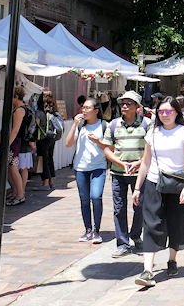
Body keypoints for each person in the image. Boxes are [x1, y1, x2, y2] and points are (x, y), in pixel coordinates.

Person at [132, 97, 184, 287]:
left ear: (177, 112)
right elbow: (146, 161)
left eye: (169, 111)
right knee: (150, 223)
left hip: (177, 184)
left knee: (175, 222)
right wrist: (137, 187)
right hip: (154, 182)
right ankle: (148, 270)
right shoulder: (152, 133)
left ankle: (172, 259)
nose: (165, 115)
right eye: (161, 111)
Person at [100, 91, 149, 258]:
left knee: (140, 206)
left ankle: (135, 234)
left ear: (137, 106)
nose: (124, 106)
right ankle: (122, 243)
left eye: (129, 103)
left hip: (140, 173)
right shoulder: (113, 125)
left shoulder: (147, 124)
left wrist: (139, 163)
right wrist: (121, 163)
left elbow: (151, 149)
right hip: (118, 172)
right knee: (119, 208)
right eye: (122, 103)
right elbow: (107, 149)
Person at [65, 97, 107, 244]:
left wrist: (98, 141)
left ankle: (97, 230)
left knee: (96, 197)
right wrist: (74, 124)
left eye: (87, 108)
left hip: (98, 166)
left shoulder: (104, 125)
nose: (84, 110)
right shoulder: (80, 125)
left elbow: (110, 147)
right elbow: (68, 144)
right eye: (83, 107)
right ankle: (88, 229)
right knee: (84, 200)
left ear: (96, 111)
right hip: (80, 167)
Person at [5, 86, 31, 206]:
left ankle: (20, 194)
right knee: (12, 168)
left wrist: (7, 144)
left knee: (13, 168)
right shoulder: (21, 108)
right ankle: (17, 193)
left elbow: (15, 130)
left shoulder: (19, 110)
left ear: (16, 96)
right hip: (16, 142)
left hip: (15, 142)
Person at [34, 90, 61, 191]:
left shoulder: (40, 112)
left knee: (43, 159)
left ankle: (45, 182)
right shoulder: (53, 111)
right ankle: (51, 181)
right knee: (50, 158)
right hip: (51, 137)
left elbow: (35, 125)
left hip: (42, 138)